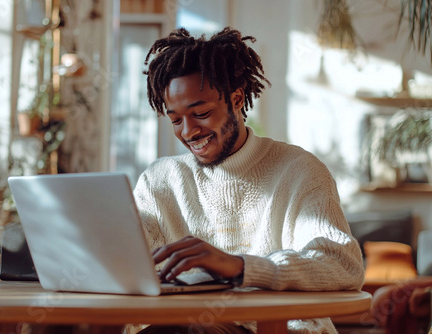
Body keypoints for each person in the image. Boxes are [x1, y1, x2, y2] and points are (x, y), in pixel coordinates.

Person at [133, 27, 364, 334]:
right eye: (176, 119)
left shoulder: (299, 170)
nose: (188, 131)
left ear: (237, 99)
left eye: (200, 113)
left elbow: (342, 264)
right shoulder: (158, 181)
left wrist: (242, 267)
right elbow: (125, 260)